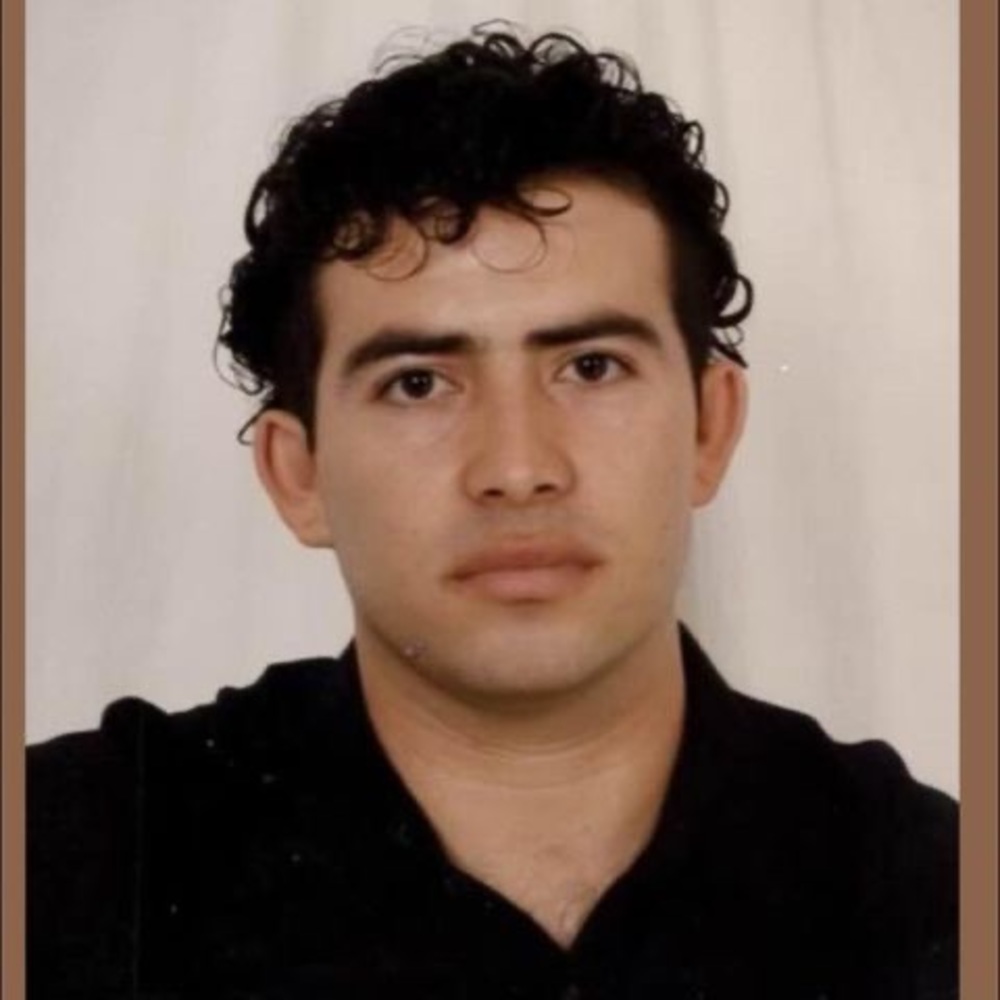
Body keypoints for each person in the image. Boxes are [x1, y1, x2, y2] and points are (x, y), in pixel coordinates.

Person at [28, 26, 957, 1000]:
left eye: (591, 367)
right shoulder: (68, 866)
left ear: (709, 427)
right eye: (418, 382)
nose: (517, 469)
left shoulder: (930, 887)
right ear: (296, 474)